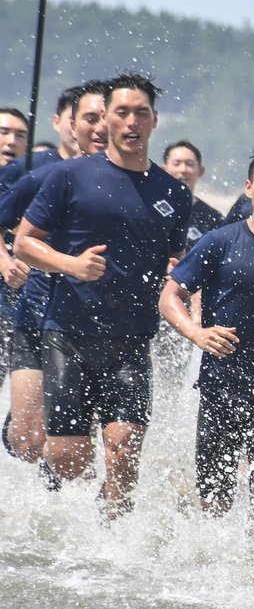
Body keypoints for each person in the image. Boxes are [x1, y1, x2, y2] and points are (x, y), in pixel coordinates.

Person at [13, 73, 192, 517]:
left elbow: (173, 257)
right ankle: (67, 520)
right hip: (67, 334)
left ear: (154, 121)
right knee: (69, 459)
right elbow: (24, 243)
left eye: (141, 114)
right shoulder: (68, 176)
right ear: (105, 119)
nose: (131, 122)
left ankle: (115, 543)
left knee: (124, 450)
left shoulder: (173, 191)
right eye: (122, 112)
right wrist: (71, 264)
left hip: (131, 339)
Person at [159, 149, 254, 515]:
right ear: (248, 188)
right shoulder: (219, 241)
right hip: (221, 386)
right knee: (214, 498)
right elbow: (171, 296)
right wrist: (197, 333)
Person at [1, 79, 110, 468]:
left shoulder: (135, 183)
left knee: (73, 450)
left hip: (98, 325)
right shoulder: (43, 174)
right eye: (90, 118)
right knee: (28, 440)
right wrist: (5, 260)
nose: (99, 128)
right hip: (35, 314)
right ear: (71, 125)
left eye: (105, 118)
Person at [162, 140, 226, 250]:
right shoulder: (151, 207)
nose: (183, 169)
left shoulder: (212, 217)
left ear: (200, 171)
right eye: (176, 164)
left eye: (190, 164)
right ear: (163, 170)